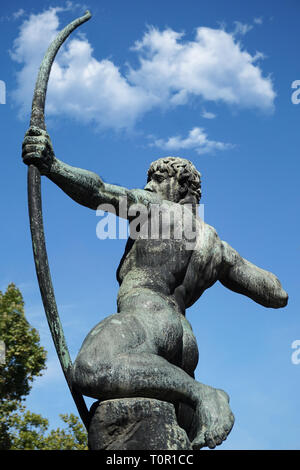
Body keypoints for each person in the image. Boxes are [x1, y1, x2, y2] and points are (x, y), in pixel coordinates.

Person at [22, 126, 288, 449]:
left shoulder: (154, 208)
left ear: (181, 186)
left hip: (146, 318)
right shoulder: (217, 246)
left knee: (91, 365)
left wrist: (53, 166)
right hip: (185, 345)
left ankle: (201, 393)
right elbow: (276, 293)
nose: (150, 184)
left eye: (159, 178)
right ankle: (192, 395)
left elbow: (99, 192)